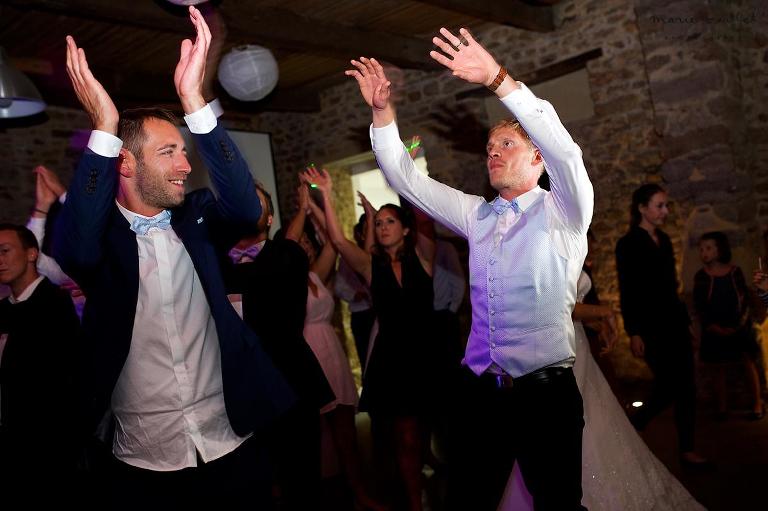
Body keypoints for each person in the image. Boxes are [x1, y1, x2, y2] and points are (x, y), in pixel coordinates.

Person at [52, 7, 294, 508]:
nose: (186, 165)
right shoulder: (100, 241)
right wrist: (104, 126)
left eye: (184, 151)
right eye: (168, 153)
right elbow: (73, 247)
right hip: (142, 461)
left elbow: (249, 208)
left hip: (231, 440)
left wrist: (195, 101)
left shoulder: (199, 219)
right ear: (127, 163)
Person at [344, 26, 593, 510]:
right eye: (489, 148)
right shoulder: (476, 216)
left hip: (546, 398)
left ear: (538, 160)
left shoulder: (564, 212)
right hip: (479, 394)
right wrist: (381, 111)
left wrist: (498, 80)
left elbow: (566, 150)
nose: (492, 154)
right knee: (468, 500)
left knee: (558, 504)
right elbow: (404, 177)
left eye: (506, 146)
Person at [501, 269, 706, 510]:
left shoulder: (570, 244)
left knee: (593, 412)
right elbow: (559, 304)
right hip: (560, 349)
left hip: (579, 342)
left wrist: (597, 325)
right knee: (567, 423)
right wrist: (605, 312)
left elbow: (574, 307)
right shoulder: (546, 249)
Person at [223, 182, 335, 510]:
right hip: (235, 396)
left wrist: (303, 208)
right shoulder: (215, 264)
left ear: (270, 218)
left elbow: (263, 278)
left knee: (301, 485)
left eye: (255, 202)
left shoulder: (287, 256)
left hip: (290, 389)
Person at [615, 183, 708, 467]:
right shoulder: (628, 244)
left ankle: (687, 450)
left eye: (666, 205)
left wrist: (686, 321)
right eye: (660, 206)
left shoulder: (665, 240)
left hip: (674, 322)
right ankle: (638, 421)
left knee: (687, 387)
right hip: (651, 327)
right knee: (669, 385)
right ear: (642, 208)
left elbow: (671, 286)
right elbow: (628, 290)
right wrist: (633, 332)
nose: (666, 211)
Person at [0, 224, 81, 504]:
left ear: (32, 254)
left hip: (49, 448)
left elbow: (69, 378)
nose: (0, 259)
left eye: (5, 251)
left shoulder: (55, 304)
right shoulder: (4, 310)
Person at [693, 231, 763, 420]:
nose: (704, 252)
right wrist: (713, 327)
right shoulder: (701, 276)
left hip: (738, 327)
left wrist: (738, 324)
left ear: (719, 249)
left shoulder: (734, 272)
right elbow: (700, 306)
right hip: (714, 328)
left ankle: (757, 403)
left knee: (748, 363)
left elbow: (743, 299)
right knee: (718, 368)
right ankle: (722, 408)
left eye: (708, 248)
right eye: (701, 249)